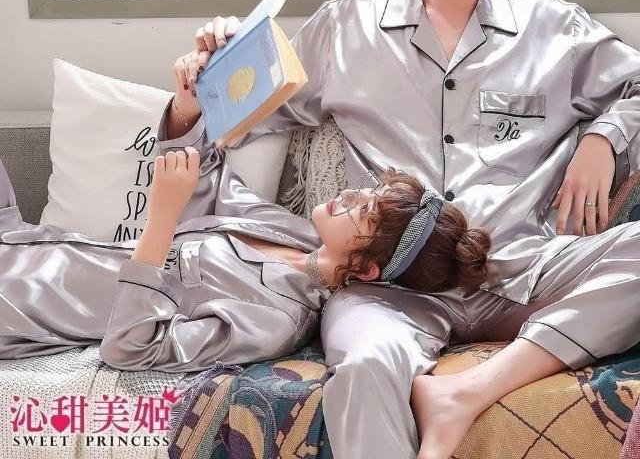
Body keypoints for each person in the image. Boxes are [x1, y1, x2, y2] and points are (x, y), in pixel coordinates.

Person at [163, 0, 640, 459]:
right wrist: (200, 87)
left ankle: (465, 393)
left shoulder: (558, 32)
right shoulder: (343, 29)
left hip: (519, 271)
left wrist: (604, 135)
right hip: (387, 290)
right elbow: (225, 126)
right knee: (363, 367)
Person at [0, 144, 490, 372]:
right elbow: (209, 178)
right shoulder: (293, 234)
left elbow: (131, 347)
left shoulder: (275, 320)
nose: (349, 195)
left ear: (365, 269)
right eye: (368, 192)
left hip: (17, 302)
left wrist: (163, 216)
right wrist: (189, 104)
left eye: (363, 212)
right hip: (22, 238)